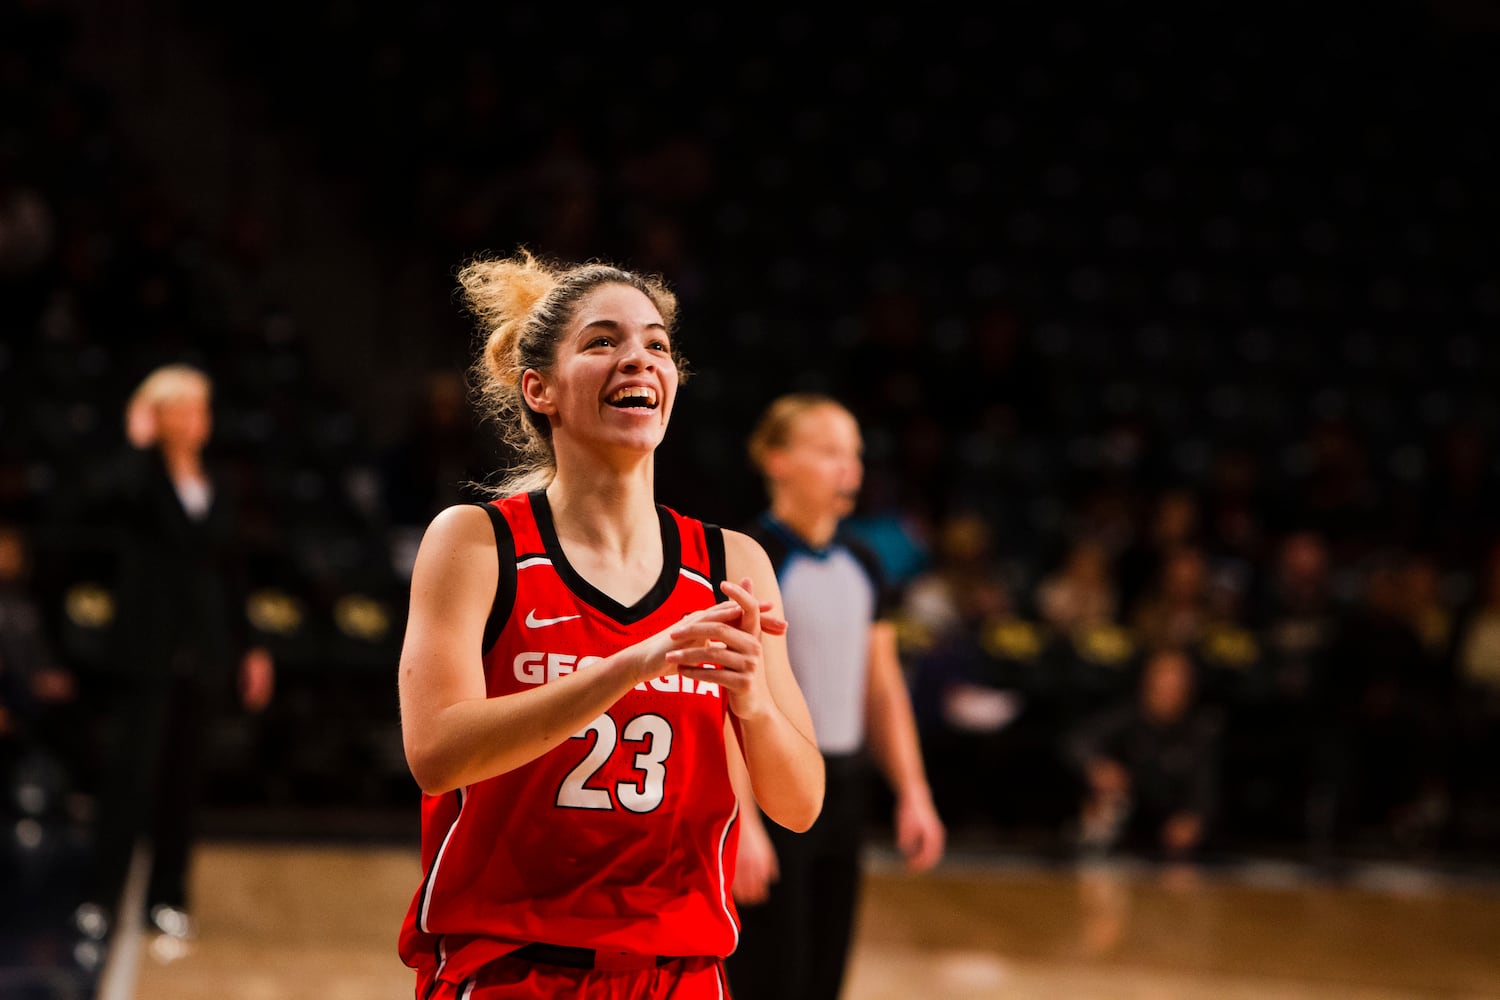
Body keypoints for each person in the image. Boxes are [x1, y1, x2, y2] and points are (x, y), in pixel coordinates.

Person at [395, 249, 824, 999]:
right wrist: (630, 664)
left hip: (679, 973)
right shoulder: (476, 543)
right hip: (512, 967)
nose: (640, 359)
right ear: (541, 389)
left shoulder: (733, 563)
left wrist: (754, 703)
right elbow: (437, 754)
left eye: (656, 344)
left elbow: (800, 805)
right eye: (602, 342)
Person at [724, 393, 946, 1000]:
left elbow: (882, 688)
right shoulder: (752, 557)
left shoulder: (864, 563)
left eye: (854, 454)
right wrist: (742, 823)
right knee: (771, 975)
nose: (848, 468)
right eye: (827, 452)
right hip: (770, 787)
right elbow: (723, 701)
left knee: (826, 973)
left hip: (844, 789)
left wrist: (914, 793)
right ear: (777, 460)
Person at [68, 363, 274, 943]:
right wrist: (137, 444)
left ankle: (167, 897)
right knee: (127, 779)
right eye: (183, 408)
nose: (197, 419)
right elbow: (95, 502)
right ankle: (101, 898)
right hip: (145, 649)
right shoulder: (138, 477)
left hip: (203, 650)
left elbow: (234, 573)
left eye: (200, 408)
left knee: (183, 784)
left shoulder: (217, 481)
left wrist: (251, 647)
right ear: (157, 416)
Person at [1065, 646, 1222, 862]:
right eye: (1164, 680)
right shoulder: (1125, 717)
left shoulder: (1199, 730)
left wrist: (1195, 818)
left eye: (1178, 682)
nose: (1170, 689)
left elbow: (1204, 786)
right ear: (1147, 682)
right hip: (1123, 824)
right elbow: (1079, 741)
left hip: (1171, 831)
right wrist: (1098, 766)